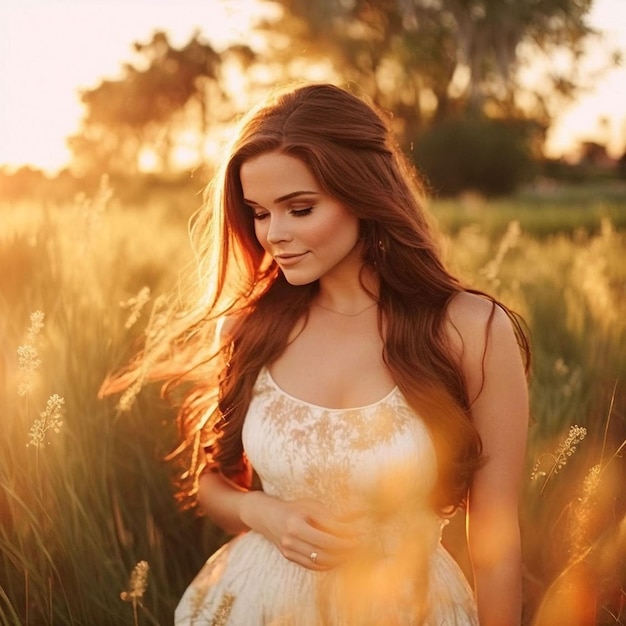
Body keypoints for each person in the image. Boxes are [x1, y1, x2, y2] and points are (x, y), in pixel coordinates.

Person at [106, 83, 530, 625]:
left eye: (299, 209)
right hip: (259, 603)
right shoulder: (248, 328)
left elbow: (496, 539)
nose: (274, 235)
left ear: (364, 195)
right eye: (259, 213)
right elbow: (213, 482)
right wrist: (263, 512)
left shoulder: (471, 329)